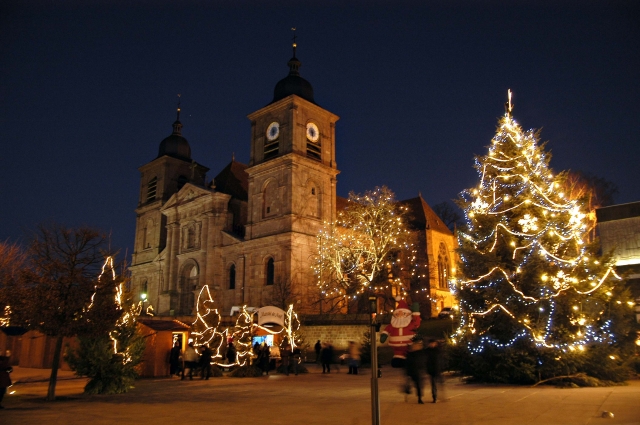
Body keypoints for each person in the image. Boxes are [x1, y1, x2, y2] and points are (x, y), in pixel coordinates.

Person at [404, 338, 426, 404]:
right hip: (412, 372)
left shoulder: (421, 354)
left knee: (419, 386)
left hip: (419, 372)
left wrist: (423, 370)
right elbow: (407, 364)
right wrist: (407, 374)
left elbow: (423, 362)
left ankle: (420, 398)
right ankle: (407, 393)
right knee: (410, 385)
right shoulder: (410, 354)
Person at [425, 339, 442, 403]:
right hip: (431, 370)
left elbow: (440, 360)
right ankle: (434, 397)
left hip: (437, 368)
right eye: (431, 343)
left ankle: (440, 395)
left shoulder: (437, 350)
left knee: (439, 383)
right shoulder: (427, 351)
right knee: (433, 384)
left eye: (433, 343)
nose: (432, 344)